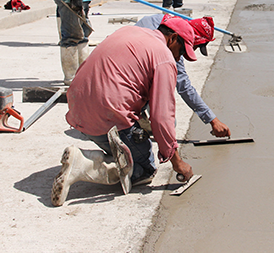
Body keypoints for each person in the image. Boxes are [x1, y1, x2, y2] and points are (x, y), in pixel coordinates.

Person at [51, 16, 197, 206]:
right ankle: (86, 165)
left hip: (78, 111)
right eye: (181, 52)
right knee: (145, 169)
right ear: (172, 38)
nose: (179, 58)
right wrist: (176, 161)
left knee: (130, 144)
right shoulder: (164, 57)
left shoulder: (130, 31)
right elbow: (161, 116)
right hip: (106, 116)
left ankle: (110, 156)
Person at [135, 14, 231, 138]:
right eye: (195, 47)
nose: (192, 51)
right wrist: (213, 120)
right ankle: (136, 115)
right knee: (166, 125)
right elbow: (184, 87)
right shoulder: (174, 43)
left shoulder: (164, 22)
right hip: (129, 80)